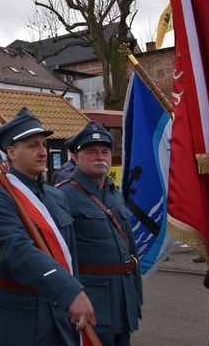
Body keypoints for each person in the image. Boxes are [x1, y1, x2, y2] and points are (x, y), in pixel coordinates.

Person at [0, 108, 95, 345]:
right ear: (11, 152)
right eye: (33, 146)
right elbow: (18, 252)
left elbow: (68, 254)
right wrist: (69, 291)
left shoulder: (56, 196)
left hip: (59, 311)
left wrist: (73, 289)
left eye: (44, 144)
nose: (43, 152)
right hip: (18, 318)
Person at [57, 121, 142, 346]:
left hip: (123, 298)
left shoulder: (114, 193)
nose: (100, 157)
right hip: (92, 300)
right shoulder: (63, 195)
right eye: (92, 152)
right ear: (76, 157)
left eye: (105, 152)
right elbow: (58, 256)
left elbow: (129, 245)